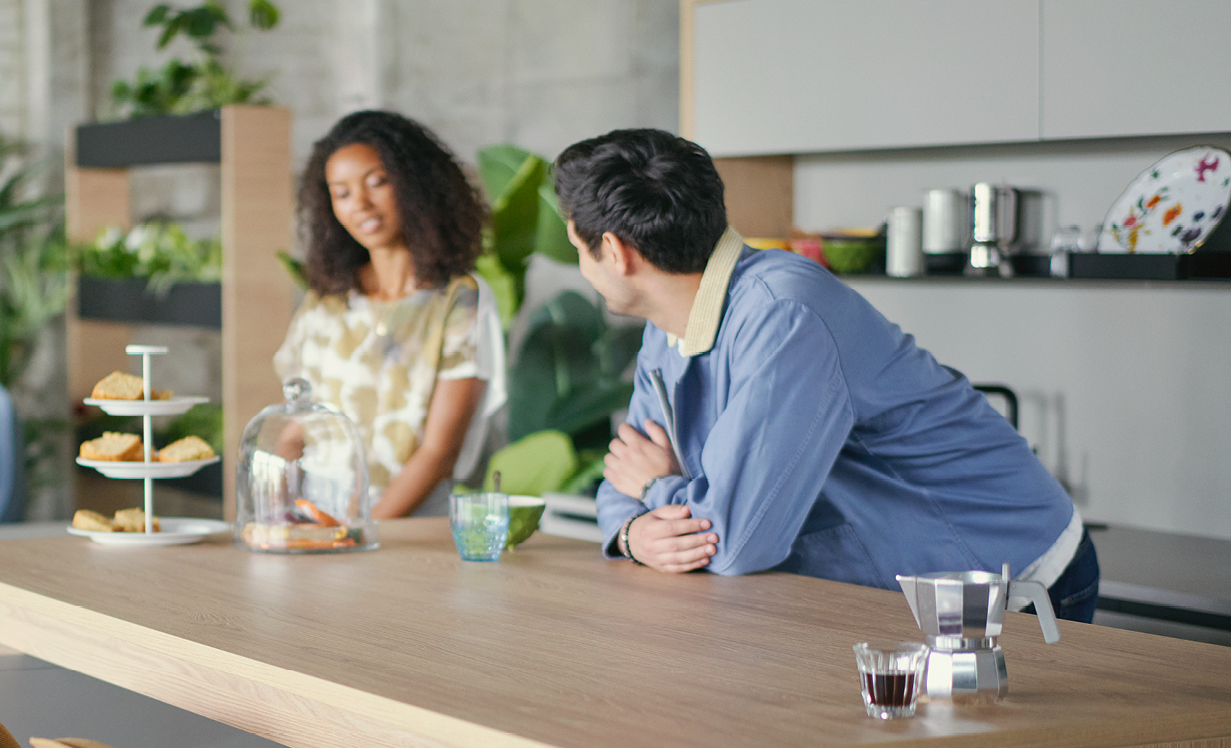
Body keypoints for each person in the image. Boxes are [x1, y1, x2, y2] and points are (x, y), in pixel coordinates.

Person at [559, 129, 1098, 621]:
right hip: (886, 585)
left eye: (577, 249)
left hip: (1007, 576)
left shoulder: (787, 314)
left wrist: (655, 487)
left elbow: (732, 540)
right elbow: (619, 483)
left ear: (613, 251)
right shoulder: (665, 322)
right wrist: (633, 535)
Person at [274, 110, 506, 519]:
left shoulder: (460, 300)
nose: (359, 204)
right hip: (314, 526)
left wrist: (359, 531)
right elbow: (298, 428)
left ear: (416, 184)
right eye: (341, 193)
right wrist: (274, 512)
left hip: (407, 533)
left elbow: (440, 452)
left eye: (377, 182)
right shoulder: (326, 300)